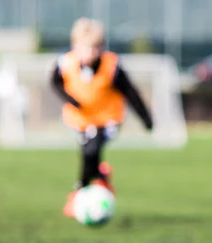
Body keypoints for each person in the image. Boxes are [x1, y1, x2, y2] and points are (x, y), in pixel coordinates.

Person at [50, 18, 153, 218]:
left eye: (95, 48)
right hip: (79, 120)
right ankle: (101, 175)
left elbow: (130, 92)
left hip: (107, 120)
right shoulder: (65, 63)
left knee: (91, 151)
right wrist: (71, 100)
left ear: (102, 47)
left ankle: (78, 192)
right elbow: (54, 82)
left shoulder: (112, 66)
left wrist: (146, 118)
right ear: (75, 46)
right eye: (86, 48)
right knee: (88, 154)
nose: (91, 53)